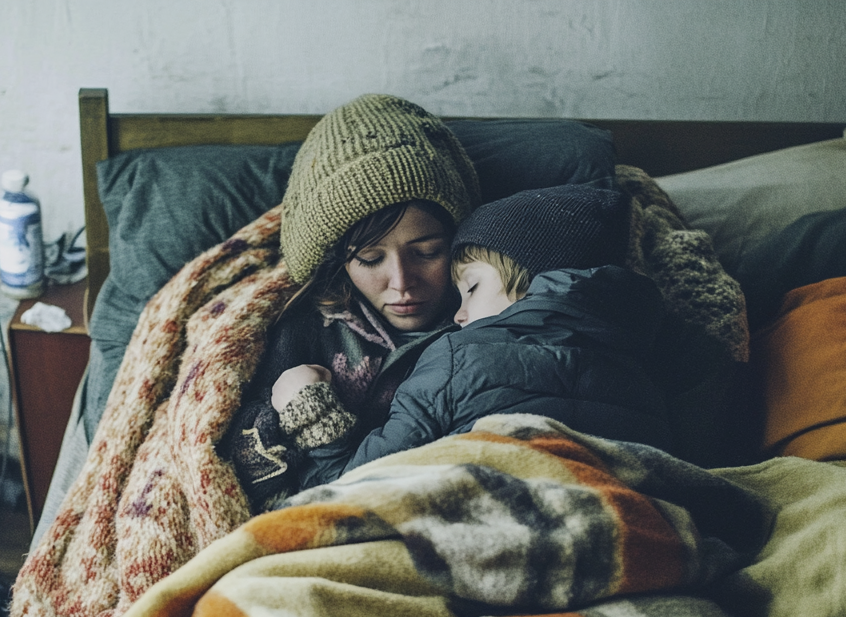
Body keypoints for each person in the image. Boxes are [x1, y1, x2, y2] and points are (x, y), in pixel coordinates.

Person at [274, 182, 675, 488]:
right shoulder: (649, 363)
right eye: (371, 258)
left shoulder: (453, 357)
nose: (459, 313)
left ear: (530, 284)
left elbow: (353, 486)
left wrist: (311, 410)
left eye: (471, 288)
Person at [224, 93, 482, 512]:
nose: (401, 283)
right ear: (341, 262)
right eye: (370, 259)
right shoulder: (305, 330)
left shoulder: (486, 322)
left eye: (428, 251)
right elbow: (231, 464)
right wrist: (288, 412)